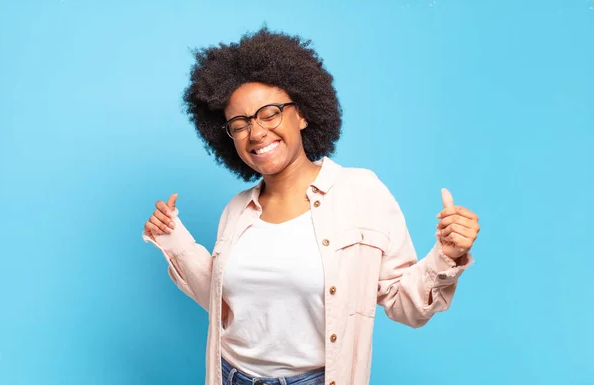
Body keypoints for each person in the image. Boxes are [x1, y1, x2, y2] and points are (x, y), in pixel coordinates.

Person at [143, 27, 480, 385]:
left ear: (302, 114)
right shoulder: (237, 210)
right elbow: (228, 306)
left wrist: (446, 255)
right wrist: (175, 243)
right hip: (230, 376)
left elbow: (406, 306)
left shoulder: (361, 192)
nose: (256, 132)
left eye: (269, 113)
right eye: (239, 124)